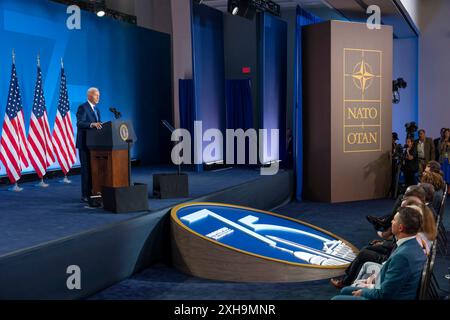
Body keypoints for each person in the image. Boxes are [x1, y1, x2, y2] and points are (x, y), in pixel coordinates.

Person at [332, 207, 426, 300]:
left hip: (389, 296)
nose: (391, 222)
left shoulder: (402, 257)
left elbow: (384, 295)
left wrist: (364, 292)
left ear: (400, 228)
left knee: (336, 298)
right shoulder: (414, 244)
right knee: (345, 290)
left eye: (393, 220)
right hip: (390, 290)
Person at [76, 88, 103, 202]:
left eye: (99, 95)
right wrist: (92, 124)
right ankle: (85, 195)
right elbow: (80, 123)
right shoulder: (83, 107)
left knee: (94, 169)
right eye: (96, 95)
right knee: (86, 170)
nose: (98, 98)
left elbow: (99, 125)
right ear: (90, 96)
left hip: (95, 145)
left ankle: (94, 191)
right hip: (85, 144)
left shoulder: (97, 110)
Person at [438, 128, 450, 194]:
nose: (447, 134)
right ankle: (443, 189)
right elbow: (439, 151)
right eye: (446, 133)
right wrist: (443, 143)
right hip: (442, 160)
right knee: (443, 176)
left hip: (449, 161)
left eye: (448, 133)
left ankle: (449, 190)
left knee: (448, 176)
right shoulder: (440, 141)